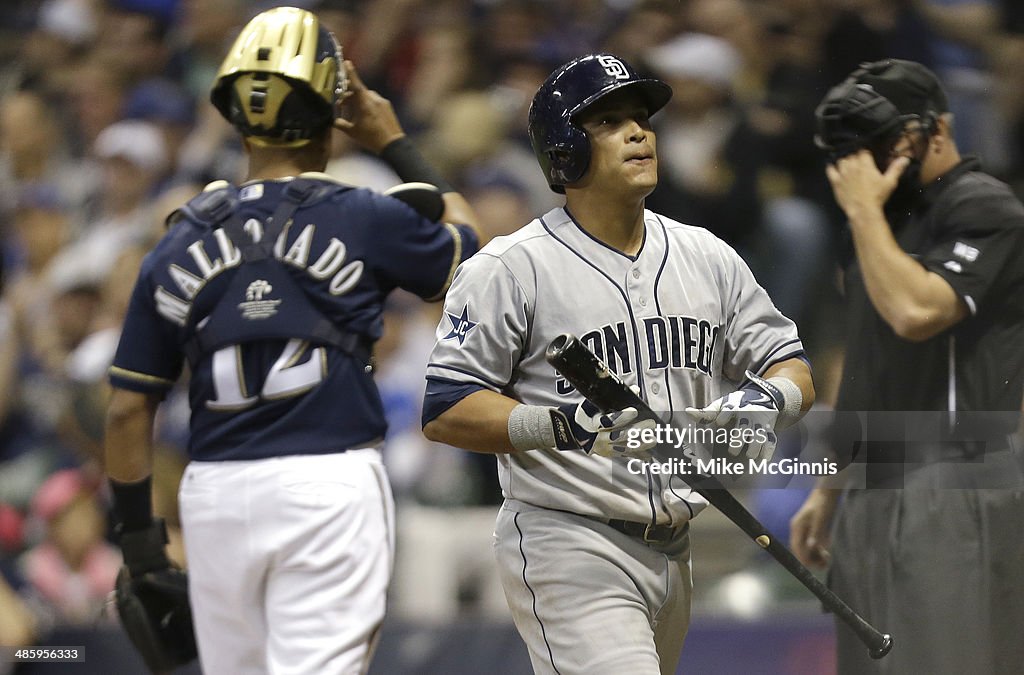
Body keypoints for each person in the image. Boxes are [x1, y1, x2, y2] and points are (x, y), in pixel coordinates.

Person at [102, 7, 480, 674]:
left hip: (214, 491)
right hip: (326, 481)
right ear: (328, 109)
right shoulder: (360, 213)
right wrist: (393, 139)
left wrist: (139, 544)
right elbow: (472, 255)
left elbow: (128, 408)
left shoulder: (179, 238)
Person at [421, 53, 814, 675]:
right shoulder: (509, 267)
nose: (638, 132)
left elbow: (789, 365)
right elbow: (447, 410)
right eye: (607, 121)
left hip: (674, 545)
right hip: (569, 539)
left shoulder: (704, 254)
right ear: (564, 148)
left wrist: (764, 401)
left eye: (640, 118)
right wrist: (564, 425)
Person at [789, 58, 1024, 675]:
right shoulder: (877, 223)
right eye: (850, 147)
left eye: (879, 139)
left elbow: (919, 312)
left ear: (937, 132)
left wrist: (865, 215)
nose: (861, 161)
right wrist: (829, 487)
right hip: (874, 482)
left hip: (954, 474)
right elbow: (862, 363)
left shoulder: (983, 205)